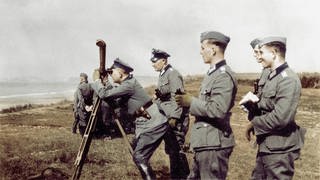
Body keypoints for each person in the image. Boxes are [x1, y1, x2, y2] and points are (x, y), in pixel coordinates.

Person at [92, 58, 172, 180]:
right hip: (148, 122)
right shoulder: (127, 84)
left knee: (139, 156)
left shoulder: (128, 85)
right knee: (137, 153)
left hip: (153, 123)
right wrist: (105, 83)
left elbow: (104, 95)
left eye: (111, 72)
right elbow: (113, 99)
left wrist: (97, 81)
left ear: (120, 73)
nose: (110, 75)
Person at [175, 31, 237, 179]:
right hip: (206, 142)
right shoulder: (213, 73)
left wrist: (191, 102)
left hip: (214, 144)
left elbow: (218, 109)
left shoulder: (223, 76)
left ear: (213, 49)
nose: (200, 52)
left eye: (203, 48)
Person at [242, 37, 306, 179]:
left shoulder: (288, 79)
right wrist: (254, 105)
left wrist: (254, 122)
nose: (259, 56)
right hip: (268, 146)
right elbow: (270, 104)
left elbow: (281, 118)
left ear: (274, 53)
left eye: (262, 52)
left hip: (280, 150)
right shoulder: (273, 77)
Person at [150, 48, 190, 178]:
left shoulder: (173, 74)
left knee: (177, 150)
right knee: (172, 150)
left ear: (163, 60)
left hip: (176, 119)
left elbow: (177, 97)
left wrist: (174, 117)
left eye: (155, 61)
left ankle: (182, 176)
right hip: (167, 117)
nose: (153, 64)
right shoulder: (163, 74)